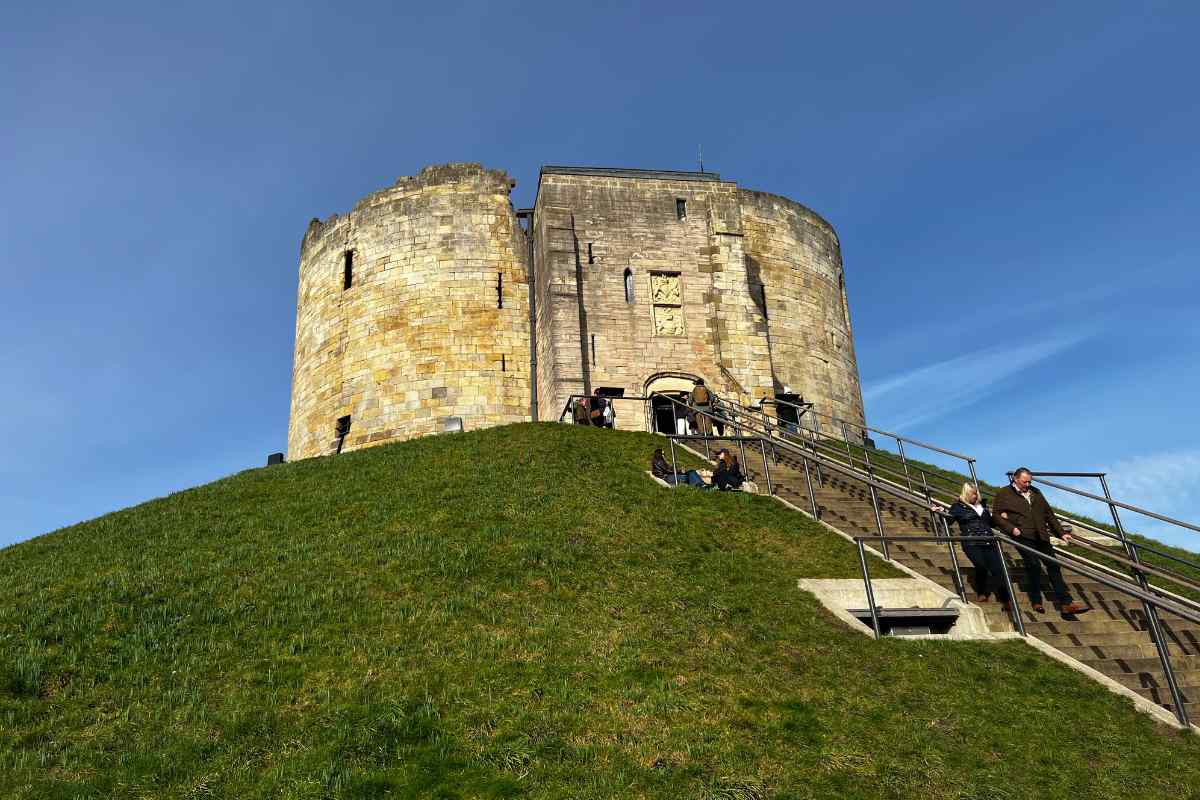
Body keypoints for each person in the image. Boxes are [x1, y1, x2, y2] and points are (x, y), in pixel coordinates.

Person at [992, 467, 1087, 615]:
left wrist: (1061, 533)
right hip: (1022, 535)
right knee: (1033, 565)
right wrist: (1011, 528)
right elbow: (996, 515)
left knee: (1053, 566)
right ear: (1015, 479)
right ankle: (1036, 601)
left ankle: (1066, 603)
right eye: (1025, 481)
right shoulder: (1004, 493)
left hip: (1041, 535)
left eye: (1030, 481)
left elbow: (1048, 514)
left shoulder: (1036, 492)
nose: (1028, 484)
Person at [933, 483, 1012, 611]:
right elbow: (948, 521)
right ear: (966, 494)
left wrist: (1001, 518)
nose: (975, 496)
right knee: (981, 566)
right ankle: (982, 592)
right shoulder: (957, 507)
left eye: (976, 493)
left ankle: (1006, 599)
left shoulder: (982, 507)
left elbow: (990, 523)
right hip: (971, 542)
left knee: (998, 569)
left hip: (989, 541)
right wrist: (940, 513)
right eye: (972, 493)